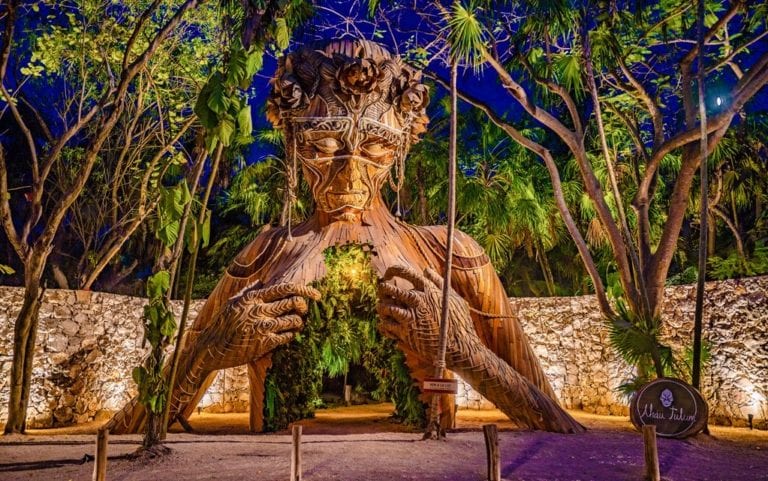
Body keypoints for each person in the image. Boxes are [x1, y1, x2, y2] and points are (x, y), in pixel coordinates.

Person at [108, 38, 583, 434]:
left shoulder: (451, 251)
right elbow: (137, 424)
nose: (349, 173)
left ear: (399, 154)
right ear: (296, 146)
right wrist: (210, 348)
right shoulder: (266, 251)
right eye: (324, 146)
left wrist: (468, 353)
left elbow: (557, 422)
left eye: (375, 149)